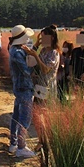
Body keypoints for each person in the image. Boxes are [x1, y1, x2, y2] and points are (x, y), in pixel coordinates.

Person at [8, 24, 36, 158]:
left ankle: (13, 143)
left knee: (16, 116)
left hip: (18, 87)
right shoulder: (18, 53)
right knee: (25, 118)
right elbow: (26, 71)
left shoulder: (14, 49)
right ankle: (21, 146)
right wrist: (36, 61)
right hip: (24, 87)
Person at [25, 25, 61, 102]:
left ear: (52, 38)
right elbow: (32, 60)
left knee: (45, 110)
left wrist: (36, 56)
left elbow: (45, 70)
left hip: (48, 86)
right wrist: (36, 44)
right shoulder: (43, 50)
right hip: (40, 85)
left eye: (44, 38)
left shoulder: (54, 53)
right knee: (36, 108)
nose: (42, 40)